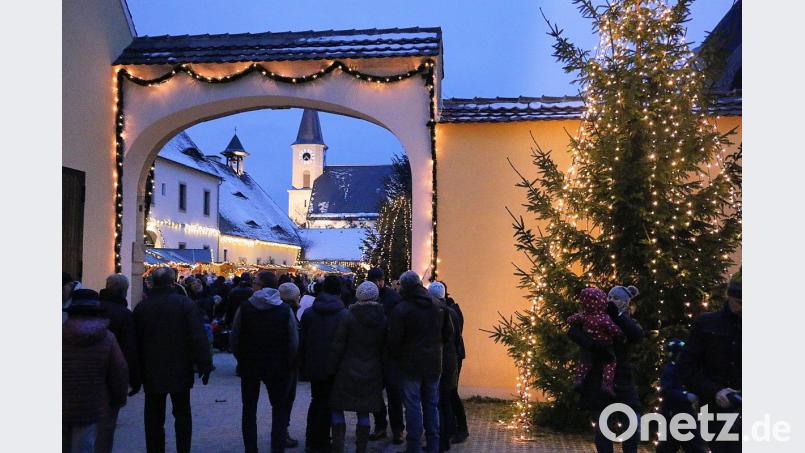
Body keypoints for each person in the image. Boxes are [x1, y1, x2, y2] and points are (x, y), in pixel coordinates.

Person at [133, 267, 213, 453]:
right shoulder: (185, 304)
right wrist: (204, 364)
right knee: (183, 414)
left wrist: (135, 373)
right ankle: (183, 449)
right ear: (172, 282)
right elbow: (197, 336)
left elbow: (135, 341)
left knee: (153, 417)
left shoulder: (142, 307)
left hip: (152, 368)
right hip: (180, 367)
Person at [568, 284, 643, 453]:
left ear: (625, 302)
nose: (612, 301)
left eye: (616, 299)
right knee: (603, 426)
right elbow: (573, 331)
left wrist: (617, 316)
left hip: (622, 378)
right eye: (610, 297)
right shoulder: (592, 315)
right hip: (599, 378)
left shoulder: (626, 319)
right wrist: (593, 346)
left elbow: (636, 335)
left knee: (630, 423)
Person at [231, 272, 299, 453]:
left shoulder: (245, 308)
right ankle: (277, 448)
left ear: (260, 286)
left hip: (250, 364)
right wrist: (288, 362)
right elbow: (293, 341)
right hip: (278, 366)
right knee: (279, 409)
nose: (252, 285)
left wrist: (241, 358)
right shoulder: (284, 310)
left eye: (255, 282)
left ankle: (251, 449)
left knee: (249, 410)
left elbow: (235, 338)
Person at [388, 271, 453, 453]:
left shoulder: (402, 309)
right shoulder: (438, 306)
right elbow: (448, 333)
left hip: (410, 365)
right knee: (431, 405)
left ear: (405, 286)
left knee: (413, 406)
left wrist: (399, 355)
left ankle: (414, 447)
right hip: (434, 363)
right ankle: (433, 445)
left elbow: (394, 340)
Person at [678, 270, 741, 453]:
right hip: (714, 409)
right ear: (729, 297)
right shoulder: (706, 324)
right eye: (739, 303)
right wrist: (715, 391)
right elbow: (687, 367)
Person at [63, 289, 129, 453]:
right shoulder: (107, 338)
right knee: (84, 446)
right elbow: (119, 370)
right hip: (92, 404)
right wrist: (118, 399)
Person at [327, 281, 388, 453]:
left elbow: (338, 344)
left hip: (347, 368)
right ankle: (361, 448)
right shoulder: (382, 319)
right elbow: (385, 349)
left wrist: (331, 368)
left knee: (338, 407)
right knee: (364, 411)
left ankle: (338, 446)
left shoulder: (348, 316)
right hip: (372, 370)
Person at [299, 275, 348, 453]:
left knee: (316, 401)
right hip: (335, 366)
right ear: (339, 291)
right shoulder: (344, 314)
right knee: (329, 403)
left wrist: (303, 364)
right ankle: (324, 441)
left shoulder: (309, 313)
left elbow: (302, 341)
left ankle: (312, 440)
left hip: (314, 364)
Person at [96, 274, 141, 453]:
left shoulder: (94, 309)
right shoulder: (124, 314)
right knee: (106, 424)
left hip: (89, 371)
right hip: (113, 373)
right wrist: (135, 379)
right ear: (124, 291)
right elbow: (130, 349)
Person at [366, 267, 405, 444]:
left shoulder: (392, 298)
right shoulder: (367, 295)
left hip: (391, 353)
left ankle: (398, 429)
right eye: (376, 280)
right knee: (375, 393)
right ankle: (380, 426)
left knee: (394, 393)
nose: (378, 283)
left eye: (380, 280)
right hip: (374, 353)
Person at [568, 287, 626, 397]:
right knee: (610, 363)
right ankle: (607, 384)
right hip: (605, 345)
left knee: (584, 363)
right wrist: (621, 336)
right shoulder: (604, 318)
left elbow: (571, 320)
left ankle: (579, 379)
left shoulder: (584, 315)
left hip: (588, 346)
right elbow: (614, 329)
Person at [656, 339, 706, 453]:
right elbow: (667, 391)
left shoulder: (685, 370)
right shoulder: (670, 370)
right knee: (667, 446)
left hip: (686, 414)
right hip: (672, 414)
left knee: (694, 445)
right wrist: (685, 396)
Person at [427, 282, 459, 452]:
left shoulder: (438, 313)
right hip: (451, 359)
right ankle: (447, 437)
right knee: (446, 400)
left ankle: (440, 440)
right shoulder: (452, 311)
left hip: (441, 360)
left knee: (438, 402)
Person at [442, 283, 468, 444]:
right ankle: (452, 427)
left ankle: (461, 428)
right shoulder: (451, 308)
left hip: (453, 356)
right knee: (448, 393)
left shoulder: (451, 311)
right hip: (452, 355)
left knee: (451, 392)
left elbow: (454, 335)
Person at [278, 281, 303, 447]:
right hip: (287, 364)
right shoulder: (289, 313)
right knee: (285, 400)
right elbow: (293, 342)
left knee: (280, 401)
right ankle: (281, 433)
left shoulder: (275, 310)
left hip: (274, 362)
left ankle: (280, 432)